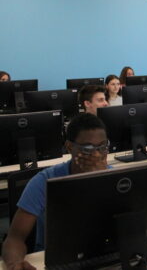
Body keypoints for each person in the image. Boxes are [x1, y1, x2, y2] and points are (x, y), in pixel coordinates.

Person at [2, 114, 110, 265]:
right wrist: (15, 263)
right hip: (57, 260)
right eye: (87, 149)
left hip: (104, 255)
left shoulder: (115, 178)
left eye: (102, 146)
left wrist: (103, 177)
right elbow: (15, 238)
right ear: (70, 147)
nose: (97, 154)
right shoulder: (44, 181)